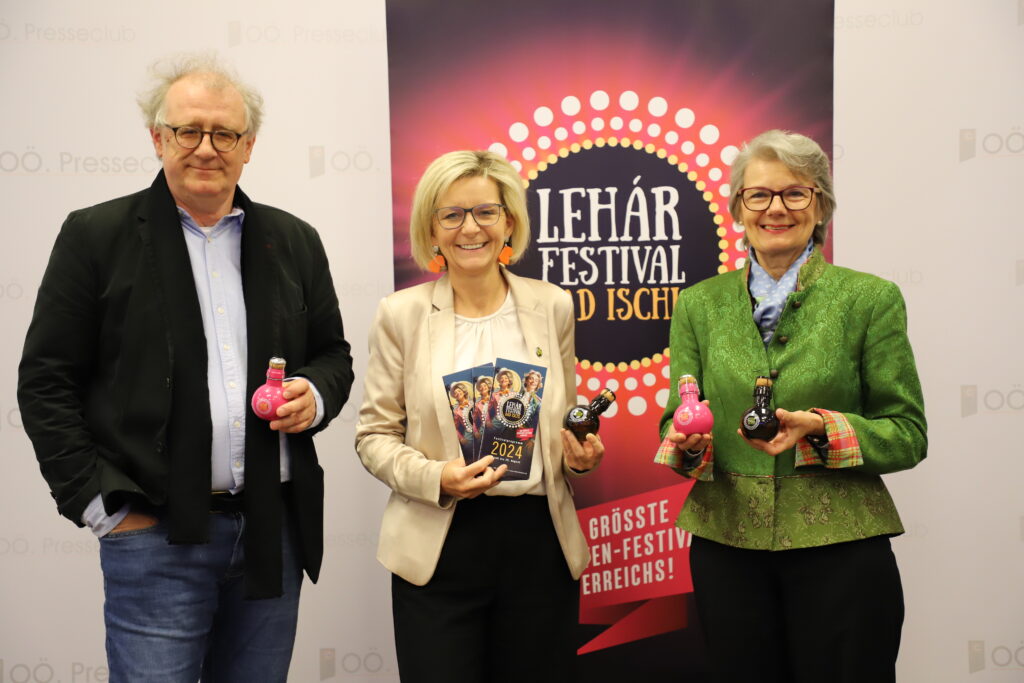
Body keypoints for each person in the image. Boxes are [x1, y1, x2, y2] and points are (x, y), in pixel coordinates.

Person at [17, 53, 354, 683]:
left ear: (248, 145)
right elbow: (45, 381)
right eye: (187, 131)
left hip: (272, 534)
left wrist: (316, 393)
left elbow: (334, 355)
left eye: (225, 133)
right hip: (153, 536)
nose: (206, 147)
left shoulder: (295, 239)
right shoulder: (96, 235)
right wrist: (102, 507)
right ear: (157, 138)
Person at [655, 130, 927, 683]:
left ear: (820, 204)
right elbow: (675, 416)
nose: (775, 209)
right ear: (737, 208)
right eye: (759, 195)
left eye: (794, 194)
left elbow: (907, 433)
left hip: (842, 550)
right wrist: (686, 444)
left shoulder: (870, 298)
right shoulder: (697, 305)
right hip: (727, 549)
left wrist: (820, 429)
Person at [355, 150, 604, 682]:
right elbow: (374, 436)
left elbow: (561, 432)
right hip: (440, 542)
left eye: (486, 212)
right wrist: (435, 476)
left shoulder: (553, 305)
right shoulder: (401, 314)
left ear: (508, 221)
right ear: (432, 228)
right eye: (452, 214)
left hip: (539, 542)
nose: (471, 228)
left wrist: (579, 456)